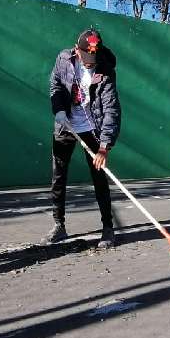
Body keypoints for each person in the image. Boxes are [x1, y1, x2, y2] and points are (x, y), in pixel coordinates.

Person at [45, 29, 121, 249]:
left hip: (92, 128)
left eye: (93, 59)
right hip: (65, 124)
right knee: (58, 176)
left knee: (100, 178)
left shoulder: (106, 71)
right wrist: (58, 109)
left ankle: (108, 228)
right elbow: (56, 84)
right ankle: (59, 225)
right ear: (76, 50)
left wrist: (104, 147)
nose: (90, 63)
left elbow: (111, 110)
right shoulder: (63, 59)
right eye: (86, 58)